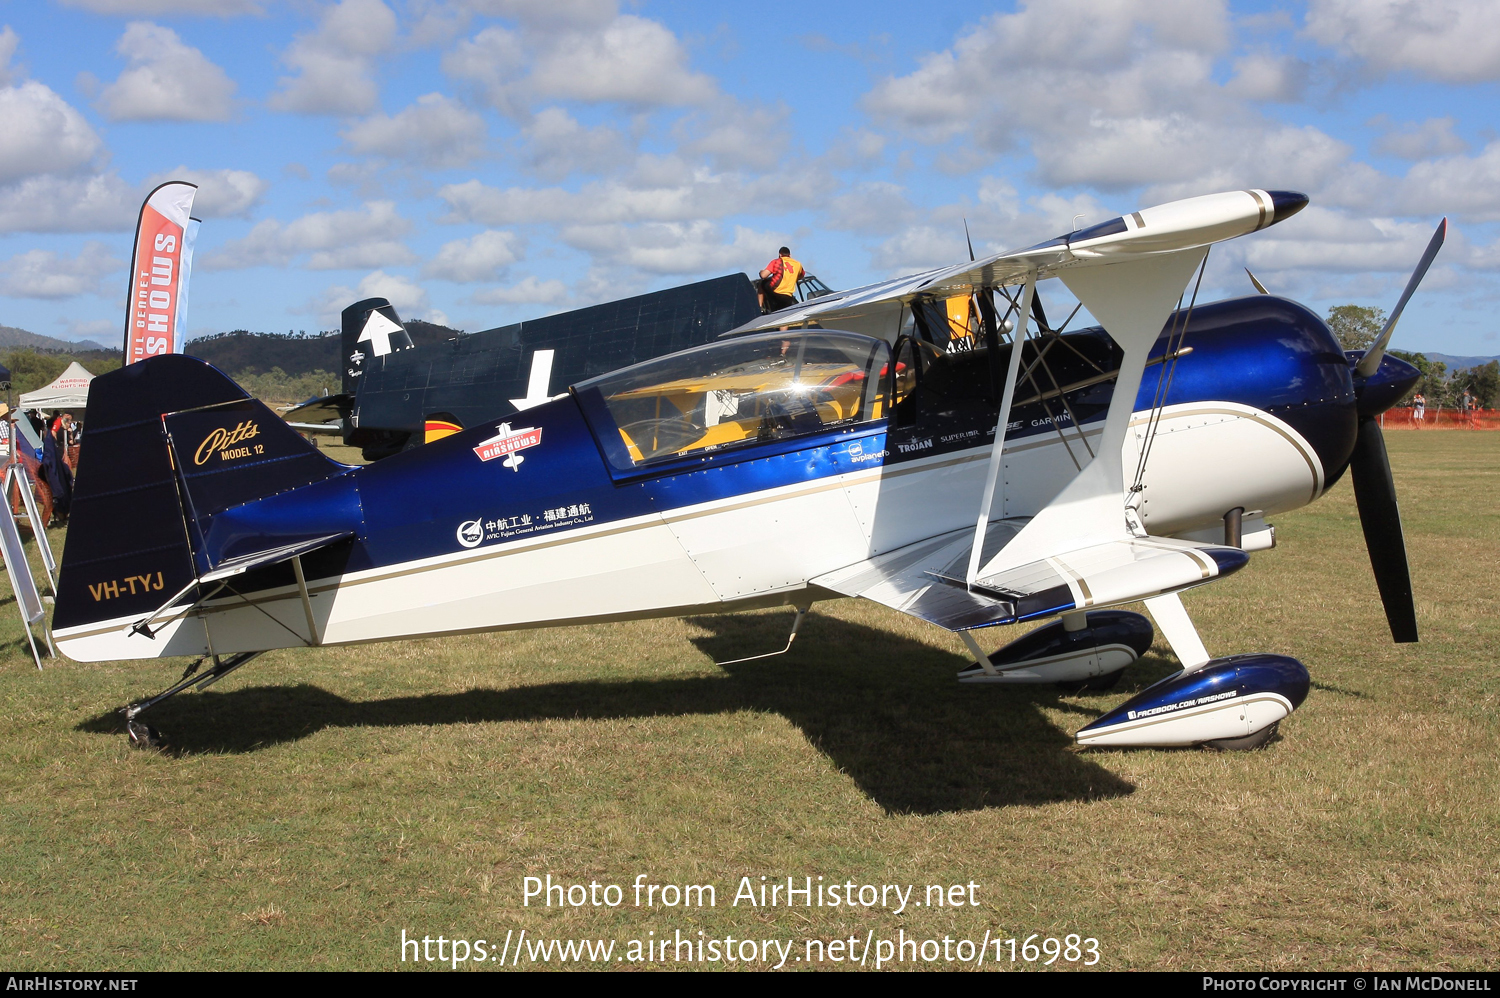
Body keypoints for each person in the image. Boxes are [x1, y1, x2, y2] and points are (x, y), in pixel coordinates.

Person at [759, 247, 804, 314]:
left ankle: (760, 307)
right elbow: (801, 276)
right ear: (790, 255)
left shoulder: (776, 262)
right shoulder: (798, 264)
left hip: (776, 292)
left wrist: (761, 272)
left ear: (780, 254)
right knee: (783, 317)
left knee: (762, 283)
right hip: (788, 296)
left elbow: (763, 275)